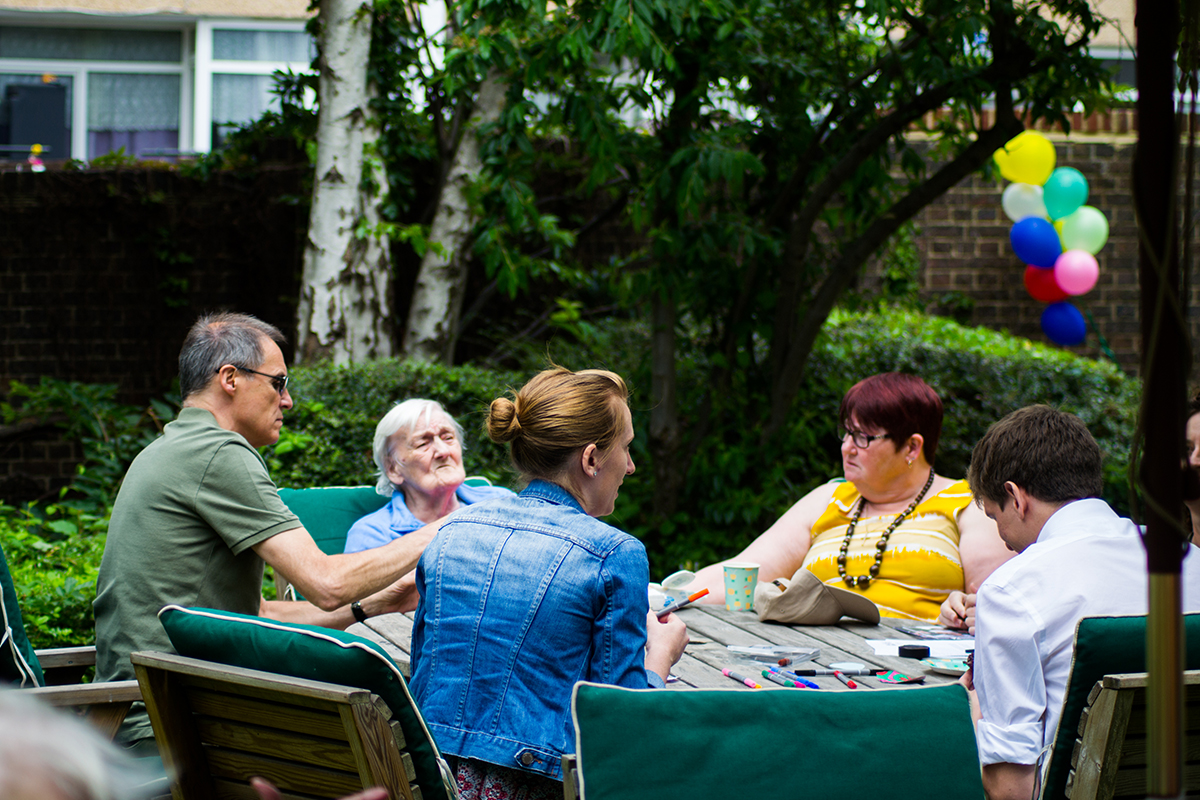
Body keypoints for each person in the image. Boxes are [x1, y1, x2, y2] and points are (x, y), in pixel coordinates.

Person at [95, 312, 441, 749]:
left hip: (131, 718)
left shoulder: (166, 449)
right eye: (279, 382)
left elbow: (260, 614)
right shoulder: (218, 452)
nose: (288, 400)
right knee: (391, 749)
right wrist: (445, 528)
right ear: (230, 378)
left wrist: (375, 603)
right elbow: (327, 584)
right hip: (179, 726)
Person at [408, 366, 689, 798]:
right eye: (627, 448)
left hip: (428, 782)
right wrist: (661, 659)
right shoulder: (614, 554)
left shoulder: (451, 534)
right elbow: (619, 724)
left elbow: (424, 675)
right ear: (591, 458)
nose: (631, 467)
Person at [962, 405, 1200, 800]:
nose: (1000, 534)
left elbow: (1010, 791)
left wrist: (970, 710)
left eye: (993, 515)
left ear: (1015, 497)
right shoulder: (1188, 560)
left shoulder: (1011, 591)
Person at [688, 372, 1013, 621]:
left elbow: (994, 602)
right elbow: (745, 574)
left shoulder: (967, 503)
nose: (847, 447)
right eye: (846, 432)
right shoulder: (830, 498)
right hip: (819, 664)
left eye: (864, 437)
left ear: (912, 447)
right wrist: (667, 596)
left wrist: (962, 611)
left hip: (918, 672)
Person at [344, 399, 513, 554]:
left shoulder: (503, 503)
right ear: (393, 469)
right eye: (423, 444)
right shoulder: (373, 536)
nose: (443, 451)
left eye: (448, 438)